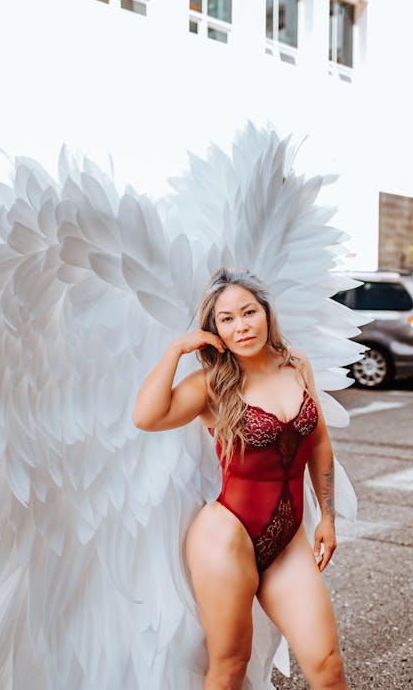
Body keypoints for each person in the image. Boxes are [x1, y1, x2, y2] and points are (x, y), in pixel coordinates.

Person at [133, 266, 349, 690]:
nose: (241, 326)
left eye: (248, 312)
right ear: (214, 330)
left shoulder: (297, 364)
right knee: (231, 664)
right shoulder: (212, 384)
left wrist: (327, 516)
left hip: (287, 540)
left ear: (266, 313)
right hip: (225, 538)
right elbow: (146, 417)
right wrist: (175, 350)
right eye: (226, 319)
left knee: (327, 665)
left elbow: (319, 442)